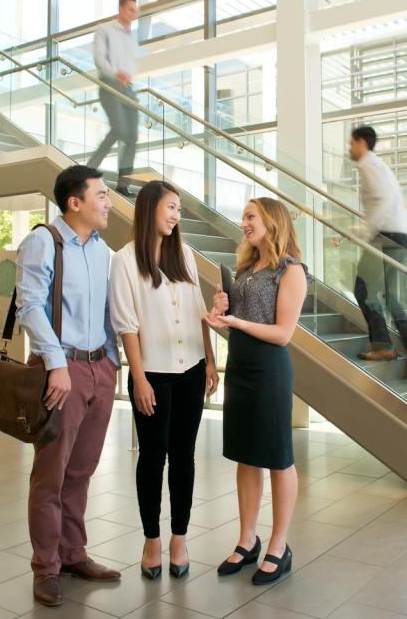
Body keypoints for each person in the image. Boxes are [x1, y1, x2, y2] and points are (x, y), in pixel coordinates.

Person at [16, 164, 121, 607]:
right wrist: (56, 362)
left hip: (100, 369)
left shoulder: (102, 250)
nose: (108, 202)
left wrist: (112, 363)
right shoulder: (44, 241)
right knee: (51, 475)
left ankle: (73, 553)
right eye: (100, 195)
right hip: (64, 371)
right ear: (74, 202)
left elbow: (106, 313)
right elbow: (30, 306)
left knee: (81, 471)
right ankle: (46, 568)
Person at [109, 180, 219, 580]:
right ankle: (151, 539)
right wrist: (138, 379)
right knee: (152, 458)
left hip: (191, 369)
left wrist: (209, 361)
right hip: (152, 374)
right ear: (149, 208)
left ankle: (179, 538)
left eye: (179, 209)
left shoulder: (185, 254)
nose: (176, 215)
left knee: (184, 457)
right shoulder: (123, 260)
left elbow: (199, 310)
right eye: (171, 207)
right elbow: (127, 326)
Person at [207, 198, 308, 586]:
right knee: (246, 456)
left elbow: (282, 334)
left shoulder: (291, 270)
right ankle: (247, 539)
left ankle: (279, 545)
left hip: (269, 369)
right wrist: (220, 316)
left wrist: (236, 321)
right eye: (244, 215)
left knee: (278, 457)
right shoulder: (246, 268)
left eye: (250, 216)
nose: (244, 222)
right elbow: (237, 325)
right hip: (241, 367)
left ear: (271, 220)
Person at [348, 125, 407, 378]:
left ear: (361, 142)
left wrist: (363, 233)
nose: (350, 148)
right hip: (398, 235)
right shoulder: (377, 166)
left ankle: (384, 346)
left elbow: (383, 200)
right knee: (388, 294)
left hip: (386, 236)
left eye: (351, 143)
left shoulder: (368, 165)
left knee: (363, 288)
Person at [88, 0, 140, 196]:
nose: (132, 14)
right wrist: (115, 73)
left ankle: (123, 184)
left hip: (128, 87)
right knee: (119, 129)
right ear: (120, 9)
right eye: (129, 9)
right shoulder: (105, 30)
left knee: (133, 137)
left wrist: (128, 77)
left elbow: (131, 64)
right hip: (110, 83)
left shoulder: (131, 37)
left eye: (135, 11)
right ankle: (90, 169)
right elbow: (99, 58)